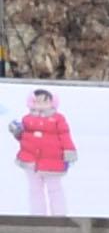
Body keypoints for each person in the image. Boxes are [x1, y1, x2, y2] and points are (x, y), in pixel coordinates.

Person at [13, 87, 74, 216]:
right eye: (37, 102)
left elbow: (65, 135)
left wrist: (69, 152)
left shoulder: (58, 119)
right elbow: (22, 137)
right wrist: (17, 131)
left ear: (52, 103)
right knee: (35, 190)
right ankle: (37, 215)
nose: (41, 105)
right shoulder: (27, 119)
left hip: (52, 161)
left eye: (45, 102)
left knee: (54, 189)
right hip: (30, 161)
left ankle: (59, 215)